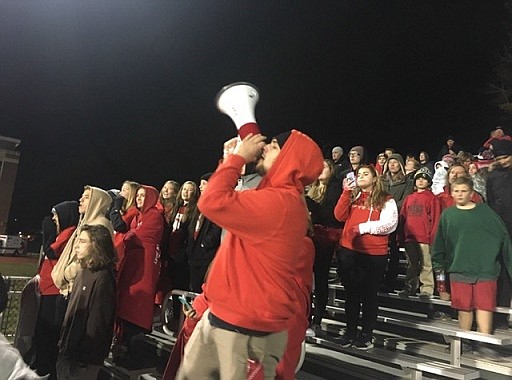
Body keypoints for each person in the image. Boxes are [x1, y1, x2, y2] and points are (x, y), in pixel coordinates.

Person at [176, 130, 323, 379]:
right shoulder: (276, 198)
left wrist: (237, 159)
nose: (265, 148)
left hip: (243, 330)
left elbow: (211, 201)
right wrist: (229, 158)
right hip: (229, 318)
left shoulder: (280, 203)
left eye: (274, 146)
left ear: (290, 158)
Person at [432, 177, 512, 339]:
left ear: (471, 193)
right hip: (459, 270)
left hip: (486, 270)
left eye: (464, 191)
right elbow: (439, 247)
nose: (460, 194)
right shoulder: (448, 215)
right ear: (451, 192)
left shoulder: (486, 213)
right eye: (456, 191)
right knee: (464, 309)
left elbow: (505, 240)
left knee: (485, 307)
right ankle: (464, 341)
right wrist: (441, 283)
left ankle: (485, 342)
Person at [334, 164, 398, 349]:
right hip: (350, 251)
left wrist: (364, 228)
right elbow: (339, 216)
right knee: (351, 295)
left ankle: (366, 335)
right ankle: (350, 332)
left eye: (365, 174)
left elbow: (390, 224)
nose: (360, 176)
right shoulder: (354, 196)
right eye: (358, 174)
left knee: (369, 295)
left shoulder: (386, 199)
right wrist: (346, 193)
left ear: (374, 178)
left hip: (373, 254)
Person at [56, 224, 116, 380]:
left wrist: (84, 357)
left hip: (83, 361)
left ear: (96, 245)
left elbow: (97, 323)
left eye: (82, 241)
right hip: (68, 353)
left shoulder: (102, 278)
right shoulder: (84, 272)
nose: (76, 245)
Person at [116, 185, 164, 368]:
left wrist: (126, 235)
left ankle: (136, 359)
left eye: (144, 196)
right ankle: (125, 352)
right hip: (133, 266)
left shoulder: (154, 215)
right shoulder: (137, 216)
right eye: (138, 196)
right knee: (128, 309)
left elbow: (134, 237)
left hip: (144, 268)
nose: (139, 199)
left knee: (137, 310)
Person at [33, 201, 79, 379]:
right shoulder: (65, 232)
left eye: (56, 216)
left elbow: (51, 251)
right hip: (48, 289)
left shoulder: (69, 232)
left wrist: (48, 234)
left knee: (48, 335)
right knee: (42, 333)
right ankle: (42, 365)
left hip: (55, 291)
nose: (53, 219)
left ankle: (46, 369)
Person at [51, 186, 113, 297]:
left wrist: (67, 273)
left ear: (97, 202)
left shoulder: (101, 224)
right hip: (70, 287)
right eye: (82, 196)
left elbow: (94, 257)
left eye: (87, 197)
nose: (81, 200)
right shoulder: (84, 222)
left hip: (79, 287)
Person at [305, 159, 343, 332]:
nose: (320, 170)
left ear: (331, 170)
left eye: (325, 167)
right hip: (309, 236)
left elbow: (329, 214)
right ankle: (306, 316)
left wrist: (309, 204)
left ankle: (318, 318)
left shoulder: (334, 188)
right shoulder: (312, 188)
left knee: (320, 278)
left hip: (326, 238)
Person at [397, 168, 441, 300]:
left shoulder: (432, 199)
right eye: (418, 178)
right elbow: (402, 217)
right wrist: (401, 236)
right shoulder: (409, 198)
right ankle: (410, 287)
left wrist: (432, 237)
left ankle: (427, 288)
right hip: (410, 237)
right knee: (412, 264)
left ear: (429, 182)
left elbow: (435, 218)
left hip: (424, 237)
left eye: (424, 178)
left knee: (426, 264)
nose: (421, 180)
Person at [486, 139, 512, 329]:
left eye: (506, 158)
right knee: (503, 273)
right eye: (500, 158)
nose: (503, 161)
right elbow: (491, 202)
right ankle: (501, 316)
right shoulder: (493, 176)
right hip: (502, 229)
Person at [381, 153, 414, 292]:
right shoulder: (382, 180)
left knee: (394, 251)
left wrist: (389, 207)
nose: (392, 165)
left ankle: (390, 281)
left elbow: (405, 201)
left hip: (397, 219)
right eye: (390, 162)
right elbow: (378, 195)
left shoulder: (408, 182)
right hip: (381, 217)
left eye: (395, 162)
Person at [186, 173, 221, 293]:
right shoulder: (199, 204)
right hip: (194, 254)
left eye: (204, 184)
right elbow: (192, 226)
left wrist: (205, 244)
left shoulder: (216, 203)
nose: (200, 187)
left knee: (202, 287)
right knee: (194, 286)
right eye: (200, 184)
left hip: (206, 255)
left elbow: (217, 227)